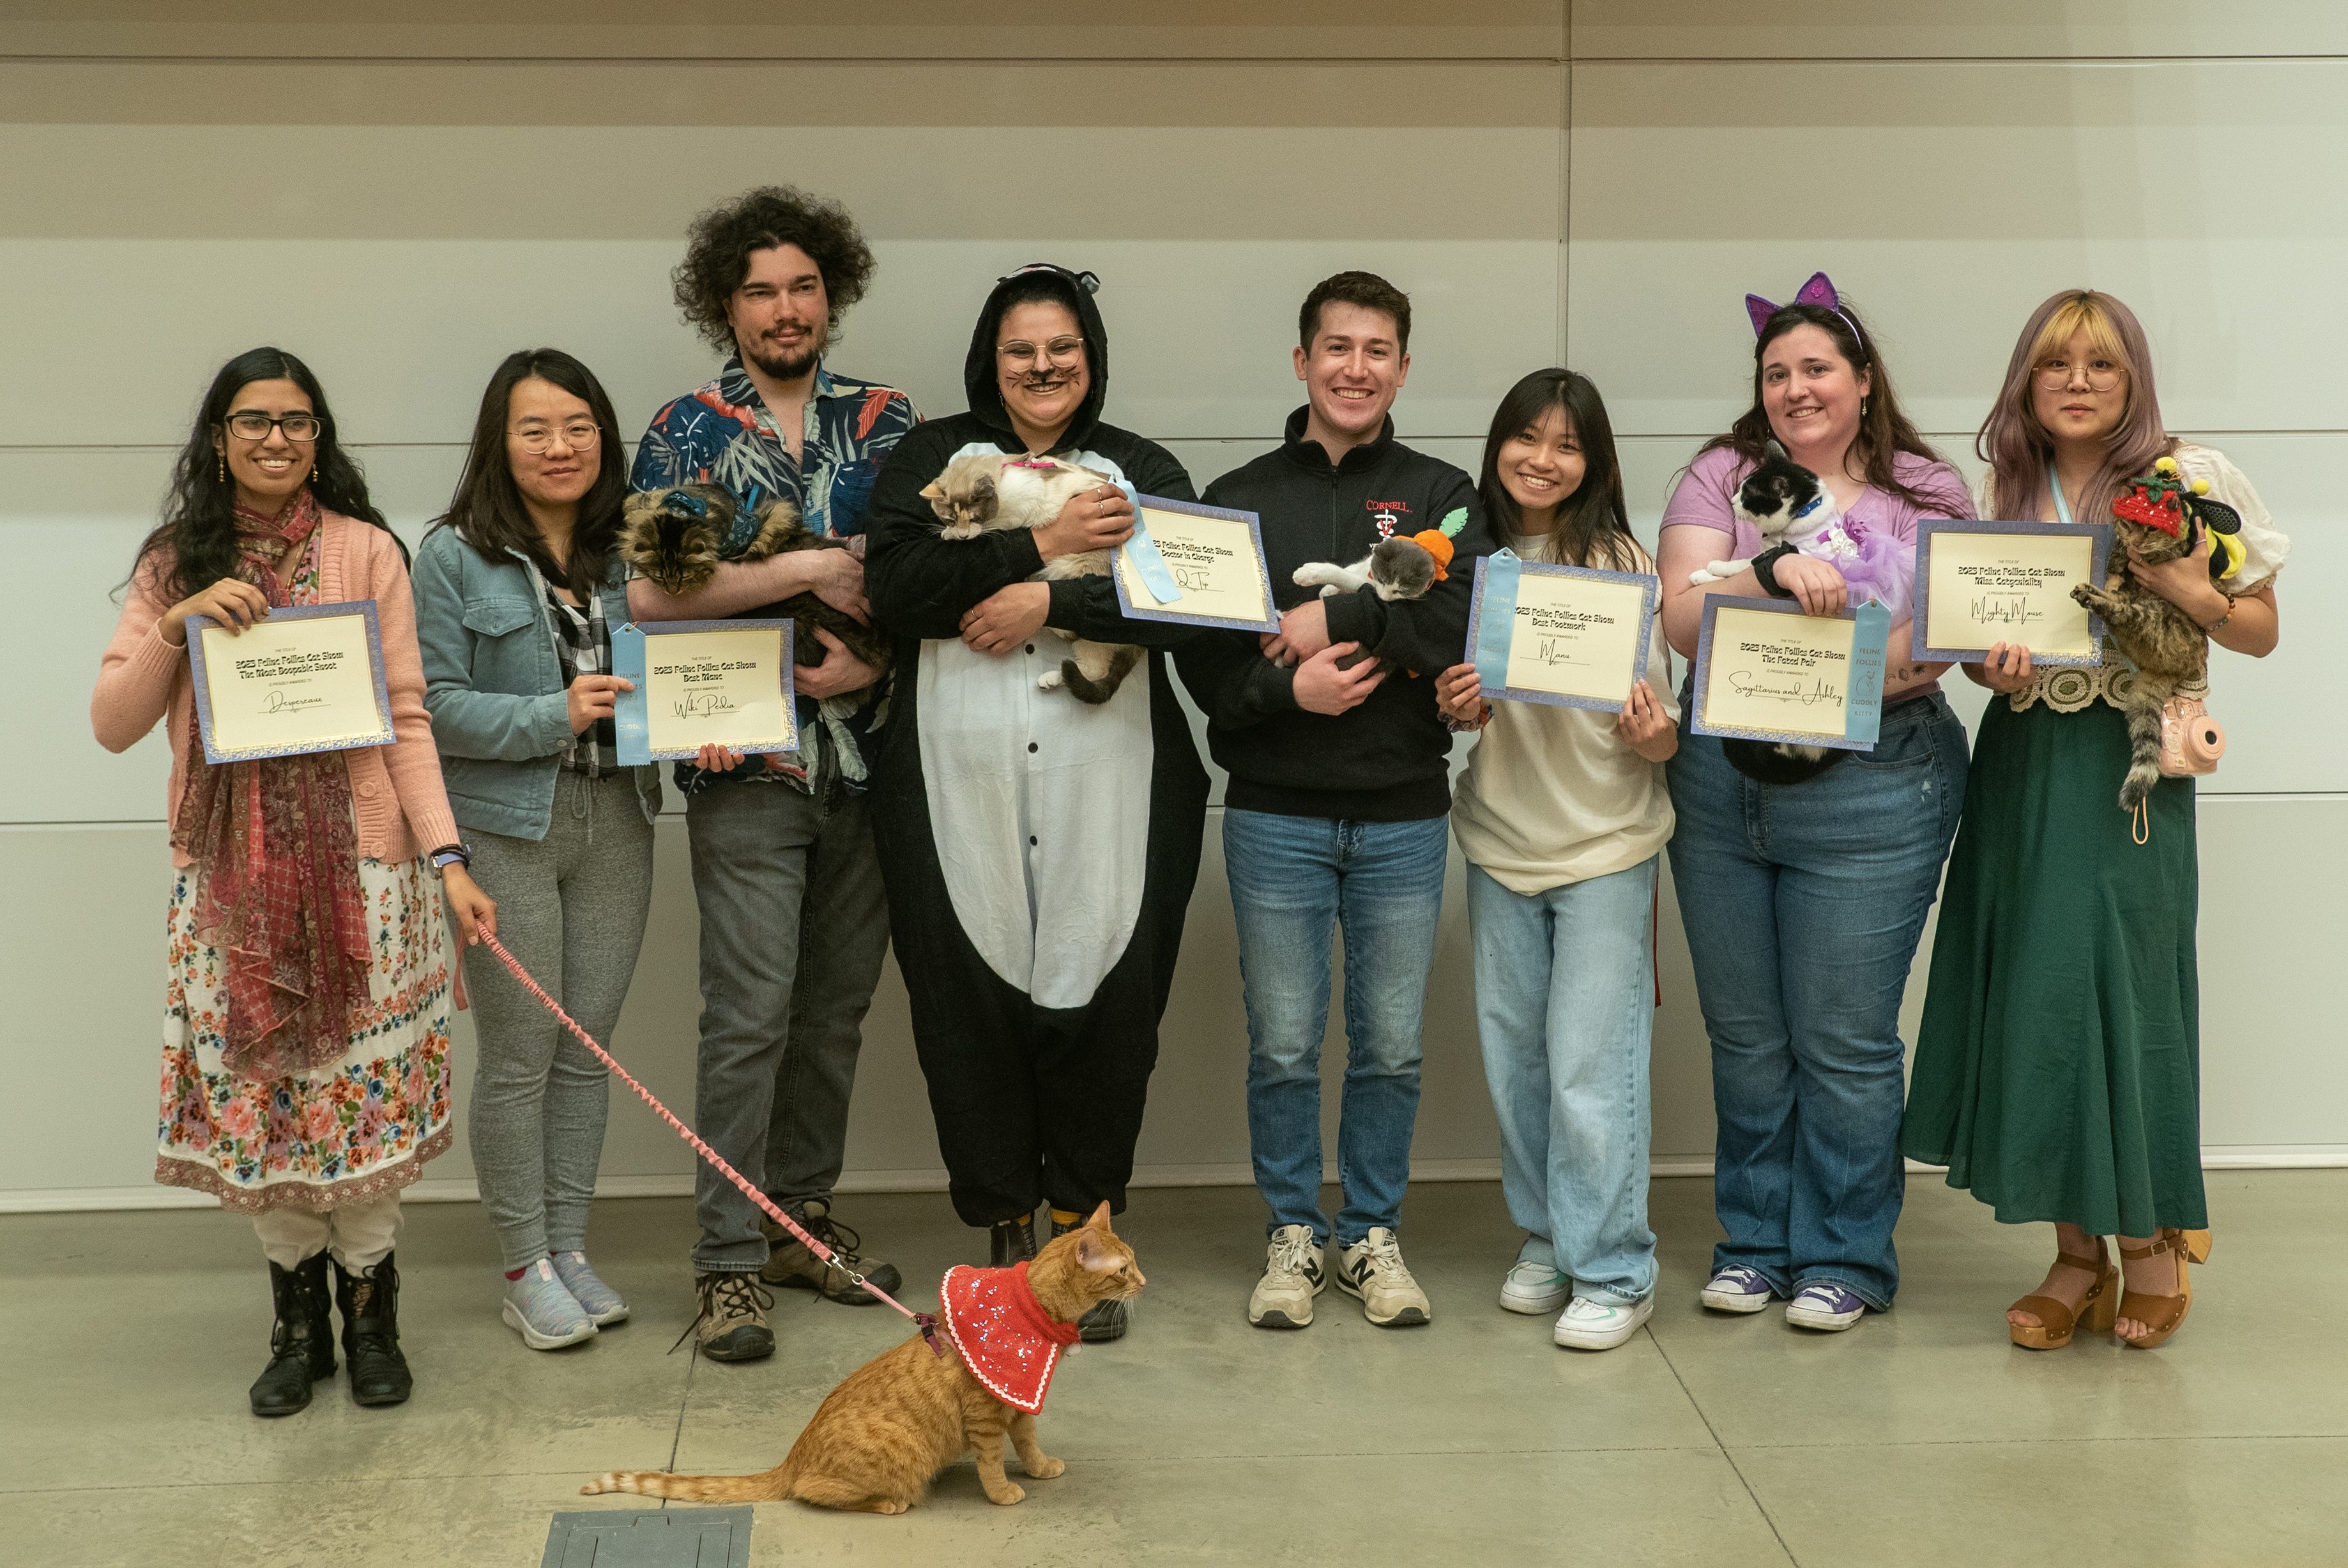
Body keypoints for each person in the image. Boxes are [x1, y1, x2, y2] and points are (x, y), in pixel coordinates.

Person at [93, 347, 496, 1416]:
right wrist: (177, 626)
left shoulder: (367, 552)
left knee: (352, 1111)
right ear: (218, 437)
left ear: (322, 438)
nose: (278, 438)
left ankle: (372, 1313)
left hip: (368, 878)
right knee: (270, 1108)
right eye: (255, 420)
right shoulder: (174, 563)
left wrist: (447, 858)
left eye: (299, 422)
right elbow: (113, 725)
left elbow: (406, 715)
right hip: (232, 889)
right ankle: (295, 1322)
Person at [1902, 290, 2287, 1350]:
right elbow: (1979, 648)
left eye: (2101, 365)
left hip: (2133, 775)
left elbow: (2259, 631)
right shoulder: (2008, 490)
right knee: (2038, 992)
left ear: (2134, 382)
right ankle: (2078, 1259)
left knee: (2122, 991)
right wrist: (1985, 660)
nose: (2077, 381)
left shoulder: (2191, 482)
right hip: (2024, 761)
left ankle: (2155, 1248)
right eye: (2055, 364)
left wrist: (2185, 583)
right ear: (2027, 383)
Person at [863, 263, 1210, 1342]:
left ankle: (1085, 1227)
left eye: (1063, 349)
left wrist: (1041, 601)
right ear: (990, 360)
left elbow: (1196, 602)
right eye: (1022, 351)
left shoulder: (1142, 468)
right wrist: (1047, 546)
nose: (1044, 367)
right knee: (965, 1004)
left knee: (1106, 1000)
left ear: (1090, 359)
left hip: (1115, 784)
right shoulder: (932, 460)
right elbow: (897, 589)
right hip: (952, 779)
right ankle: (1005, 1222)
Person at [627, 186, 917, 1363]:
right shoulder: (686, 430)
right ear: (725, 306)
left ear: (830, 294)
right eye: (760, 290)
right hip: (742, 764)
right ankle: (726, 1264)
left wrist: (867, 656)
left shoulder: (893, 423)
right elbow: (653, 591)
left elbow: (924, 579)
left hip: (872, 757)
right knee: (746, 1017)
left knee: (835, 1014)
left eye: (803, 286)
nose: (785, 308)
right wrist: (812, 564)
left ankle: (798, 1222)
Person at [1176, 271, 1493, 1332]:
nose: (1356, 368)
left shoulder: (1448, 490)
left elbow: (1453, 625)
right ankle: (1293, 1233)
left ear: (1403, 366)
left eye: (1378, 351)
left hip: (1405, 813)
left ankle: (1369, 1234)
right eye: (1337, 348)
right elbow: (1205, 662)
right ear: (1302, 360)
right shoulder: (1237, 499)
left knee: (1393, 1044)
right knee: (1283, 1042)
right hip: (1274, 812)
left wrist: (1330, 621)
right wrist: (1287, 685)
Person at [1656, 275, 1972, 1334]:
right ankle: (1753, 1243)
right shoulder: (1723, 475)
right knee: (1746, 1039)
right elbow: (1687, 619)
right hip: (1722, 784)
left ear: (1863, 379)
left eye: (1817, 369)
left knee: (1842, 1039)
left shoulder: (1926, 490)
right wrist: (1778, 572)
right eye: (1776, 373)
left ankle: (1843, 1255)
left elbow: (1933, 641)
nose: (1795, 388)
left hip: (1877, 786)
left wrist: (1836, 687)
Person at [413, 349, 662, 1351]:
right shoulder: (451, 554)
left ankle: (569, 1246)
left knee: (586, 1054)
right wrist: (547, 715)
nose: (560, 447)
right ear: (499, 442)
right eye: (535, 429)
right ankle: (523, 1266)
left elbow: (684, 672)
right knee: (519, 1058)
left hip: (622, 823)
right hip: (508, 829)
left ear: (604, 438)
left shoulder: (639, 550)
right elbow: (429, 706)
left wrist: (705, 725)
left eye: (578, 427)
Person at [1432, 370, 1677, 1351]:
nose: (1544, 459)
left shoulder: (1622, 560)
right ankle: (1549, 1237)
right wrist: (1455, 705)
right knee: (1519, 1065)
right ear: (1498, 445)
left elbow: (1657, 740)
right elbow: (1455, 705)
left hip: (1607, 846)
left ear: (1595, 462)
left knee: (1592, 1066)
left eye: (1567, 445)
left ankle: (1616, 1266)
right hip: (1500, 839)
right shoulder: (1465, 558)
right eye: (1527, 438)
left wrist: (1657, 732)